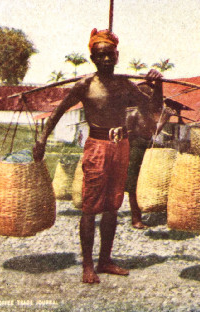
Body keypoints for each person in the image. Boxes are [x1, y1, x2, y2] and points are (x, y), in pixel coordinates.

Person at [33, 28, 163, 284]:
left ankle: (105, 260)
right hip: (97, 147)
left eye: (110, 54)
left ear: (117, 56)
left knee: (113, 207)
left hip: (121, 145)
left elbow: (154, 106)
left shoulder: (125, 85)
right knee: (90, 208)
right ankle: (88, 266)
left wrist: (157, 85)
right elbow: (59, 111)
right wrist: (42, 138)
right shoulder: (85, 85)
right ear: (93, 58)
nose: (106, 59)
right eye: (100, 55)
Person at [125, 82, 172, 229]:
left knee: (147, 180)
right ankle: (136, 219)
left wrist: (164, 119)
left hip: (146, 147)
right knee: (133, 185)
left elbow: (154, 131)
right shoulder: (133, 115)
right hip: (134, 150)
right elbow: (127, 135)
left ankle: (146, 208)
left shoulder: (148, 115)